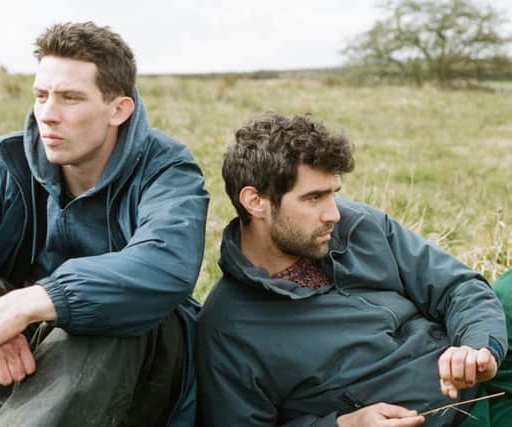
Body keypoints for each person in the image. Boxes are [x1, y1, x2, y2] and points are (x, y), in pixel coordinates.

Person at [0, 21, 208, 427]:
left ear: (119, 110)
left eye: (70, 98)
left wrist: (27, 304)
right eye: (41, 95)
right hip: (16, 356)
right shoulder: (7, 161)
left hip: (130, 366)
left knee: (113, 309)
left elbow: (166, 265)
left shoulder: (166, 169)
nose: (48, 115)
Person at [197, 112, 511, 427]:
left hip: (486, 371)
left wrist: (477, 346)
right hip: (444, 419)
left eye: (334, 193)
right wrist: (344, 425)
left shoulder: (357, 223)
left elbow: (458, 287)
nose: (333, 213)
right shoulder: (228, 329)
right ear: (255, 202)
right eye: (314, 198)